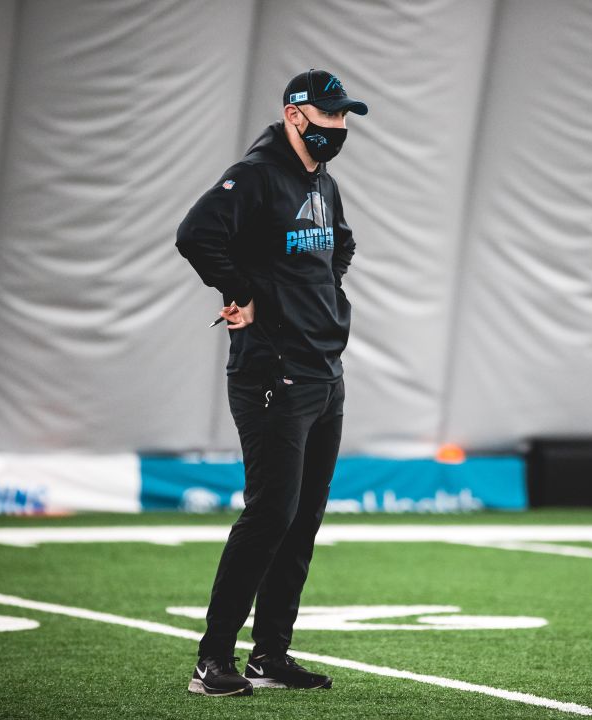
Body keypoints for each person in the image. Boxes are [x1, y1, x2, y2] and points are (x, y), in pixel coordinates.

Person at [174, 69, 368, 697]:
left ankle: (270, 655)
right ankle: (213, 661)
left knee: (303, 518)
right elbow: (196, 235)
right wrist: (246, 294)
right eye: (328, 117)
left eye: (344, 120)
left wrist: (322, 300)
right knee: (270, 515)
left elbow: (341, 245)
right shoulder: (256, 176)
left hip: (324, 372)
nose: (337, 129)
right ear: (294, 115)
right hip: (272, 373)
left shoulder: (322, 182)